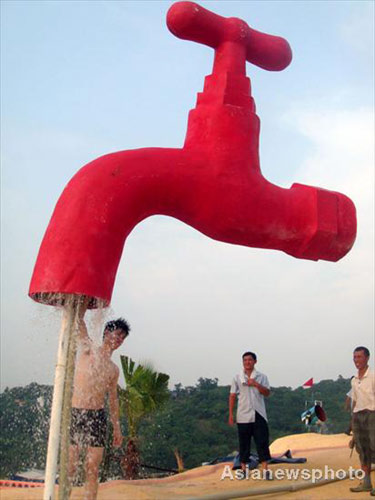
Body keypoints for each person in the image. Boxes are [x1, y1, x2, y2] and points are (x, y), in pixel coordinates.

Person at [68, 303, 131, 500]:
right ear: (106, 332)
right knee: (71, 465)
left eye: (123, 337)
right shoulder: (89, 349)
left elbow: (113, 400)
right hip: (77, 412)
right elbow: (79, 323)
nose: (119, 339)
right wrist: (82, 304)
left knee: (92, 467)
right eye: (117, 334)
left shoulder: (113, 369)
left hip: (97, 416)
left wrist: (117, 428)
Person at [228, 351, 272, 479]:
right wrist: (231, 414)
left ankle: (265, 470)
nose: (247, 362)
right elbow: (232, 396)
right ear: (243, 362)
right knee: (244, 443)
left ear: (255, 361)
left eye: (250, 360)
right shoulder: (237, 377)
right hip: (243, 414)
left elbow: (267, 393)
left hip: (259, 414)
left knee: (262, 442)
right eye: (245, 360)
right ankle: (243, 469)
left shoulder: (262, 377)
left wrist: (256, 384)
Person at [349, 346, 375, 495]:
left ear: (367, 358)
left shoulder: (373, 376)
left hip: (372, 414)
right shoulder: (354, 380)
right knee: (362, 449)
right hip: (358, 416)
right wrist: (352, 424)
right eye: (354, 357)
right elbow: (355, 402)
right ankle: (366, 482)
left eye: (359, 357)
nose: (356, 360)